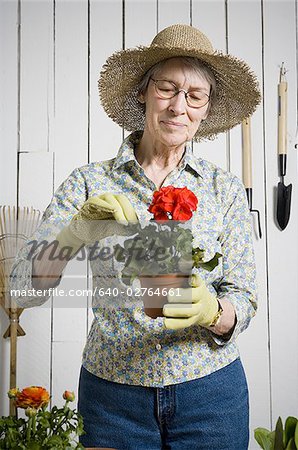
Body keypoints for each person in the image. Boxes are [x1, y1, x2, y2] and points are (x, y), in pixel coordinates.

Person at [10, 24, 260, 450]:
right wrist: (75, 234)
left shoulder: (225, 189)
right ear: (144, 92)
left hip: (211, 396)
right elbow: (21, 290)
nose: (179, 106)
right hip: (113, 400)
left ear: (205, 109)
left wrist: (213, 310)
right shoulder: (89, 182)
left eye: (194, 96)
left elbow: (245, 298)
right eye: (167, 88)